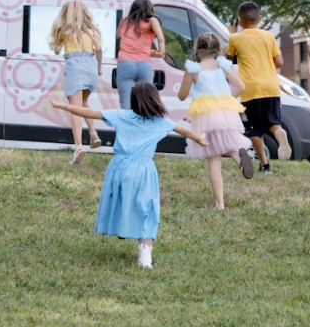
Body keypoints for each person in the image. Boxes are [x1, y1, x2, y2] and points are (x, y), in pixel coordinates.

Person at [51, 83, 206, 269]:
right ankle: (145, 256)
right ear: (155, 99)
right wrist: (199, 139)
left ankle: (125, 230)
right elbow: (184, 131)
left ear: (134, 101)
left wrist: (64, 106)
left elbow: (91, 113)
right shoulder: (160, 122)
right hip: (143, 169)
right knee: (148, 209)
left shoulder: (122, 116)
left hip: (120, 167)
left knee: (123, 203)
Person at [177, 34, 255, 209]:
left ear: (197, 49)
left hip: (205, 115)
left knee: (214, 159)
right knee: (230, 145)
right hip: (225, 112)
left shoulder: (193, 69)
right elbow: (241, 87)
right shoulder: (223, 66)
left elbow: (182, 96)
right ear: (218, 49)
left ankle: (220, 203)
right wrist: (225, 99)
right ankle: (241, 158)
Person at [226, 1, 292, 172]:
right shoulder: (269, 36)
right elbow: (279, 62)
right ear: (259, 18)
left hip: (250, 89)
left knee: (254, 128)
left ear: (240, 21)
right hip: (270, 86)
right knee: (274, 124)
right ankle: (280, 135)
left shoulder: (235, 38)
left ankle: (265, 165)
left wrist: (231, 35)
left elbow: (228, 59)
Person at [49, 0, 103, 164]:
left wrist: (60, 38)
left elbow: (57, 50)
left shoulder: (66, 30)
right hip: (91, 65)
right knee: (84, 102)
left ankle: (78, 146)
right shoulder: (92, 31)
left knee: (75, 108)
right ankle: (93, 133)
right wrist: (99, 68)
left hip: (75, 66)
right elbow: (99, 50)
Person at [115, 0, 165, 109]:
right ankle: (142, 125)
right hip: (144, 64)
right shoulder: (152, 21)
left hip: (125, 63)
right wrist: (161, 51)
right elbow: (160, 38)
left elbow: (119, 36)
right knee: (145, 102)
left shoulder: (126, 21)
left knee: (126, 104)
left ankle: (127, 126)